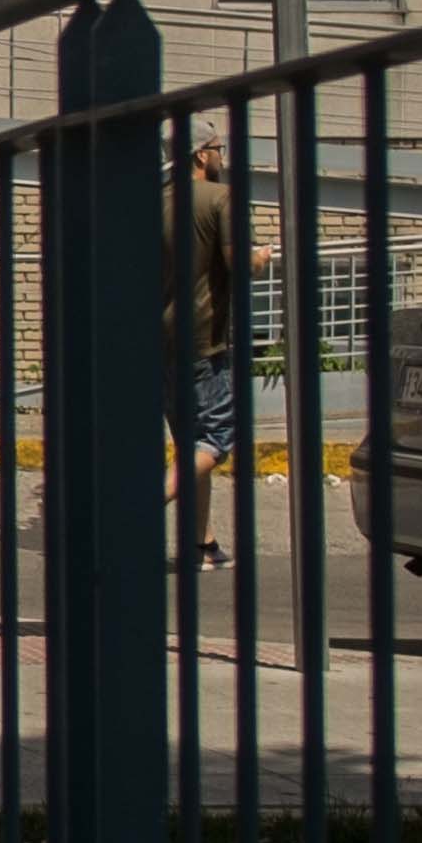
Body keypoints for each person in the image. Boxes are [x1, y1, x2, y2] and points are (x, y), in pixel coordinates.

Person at [166, 115, 243, 571]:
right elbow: (239, 263)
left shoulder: (157, 200)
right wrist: (259, 256)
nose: (222, 156)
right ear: (201, 154)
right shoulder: (219, 198)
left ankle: (201, 544)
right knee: (215, 438)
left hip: (161, 343)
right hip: (202, 342)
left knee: (189, 445)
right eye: (219, 148)